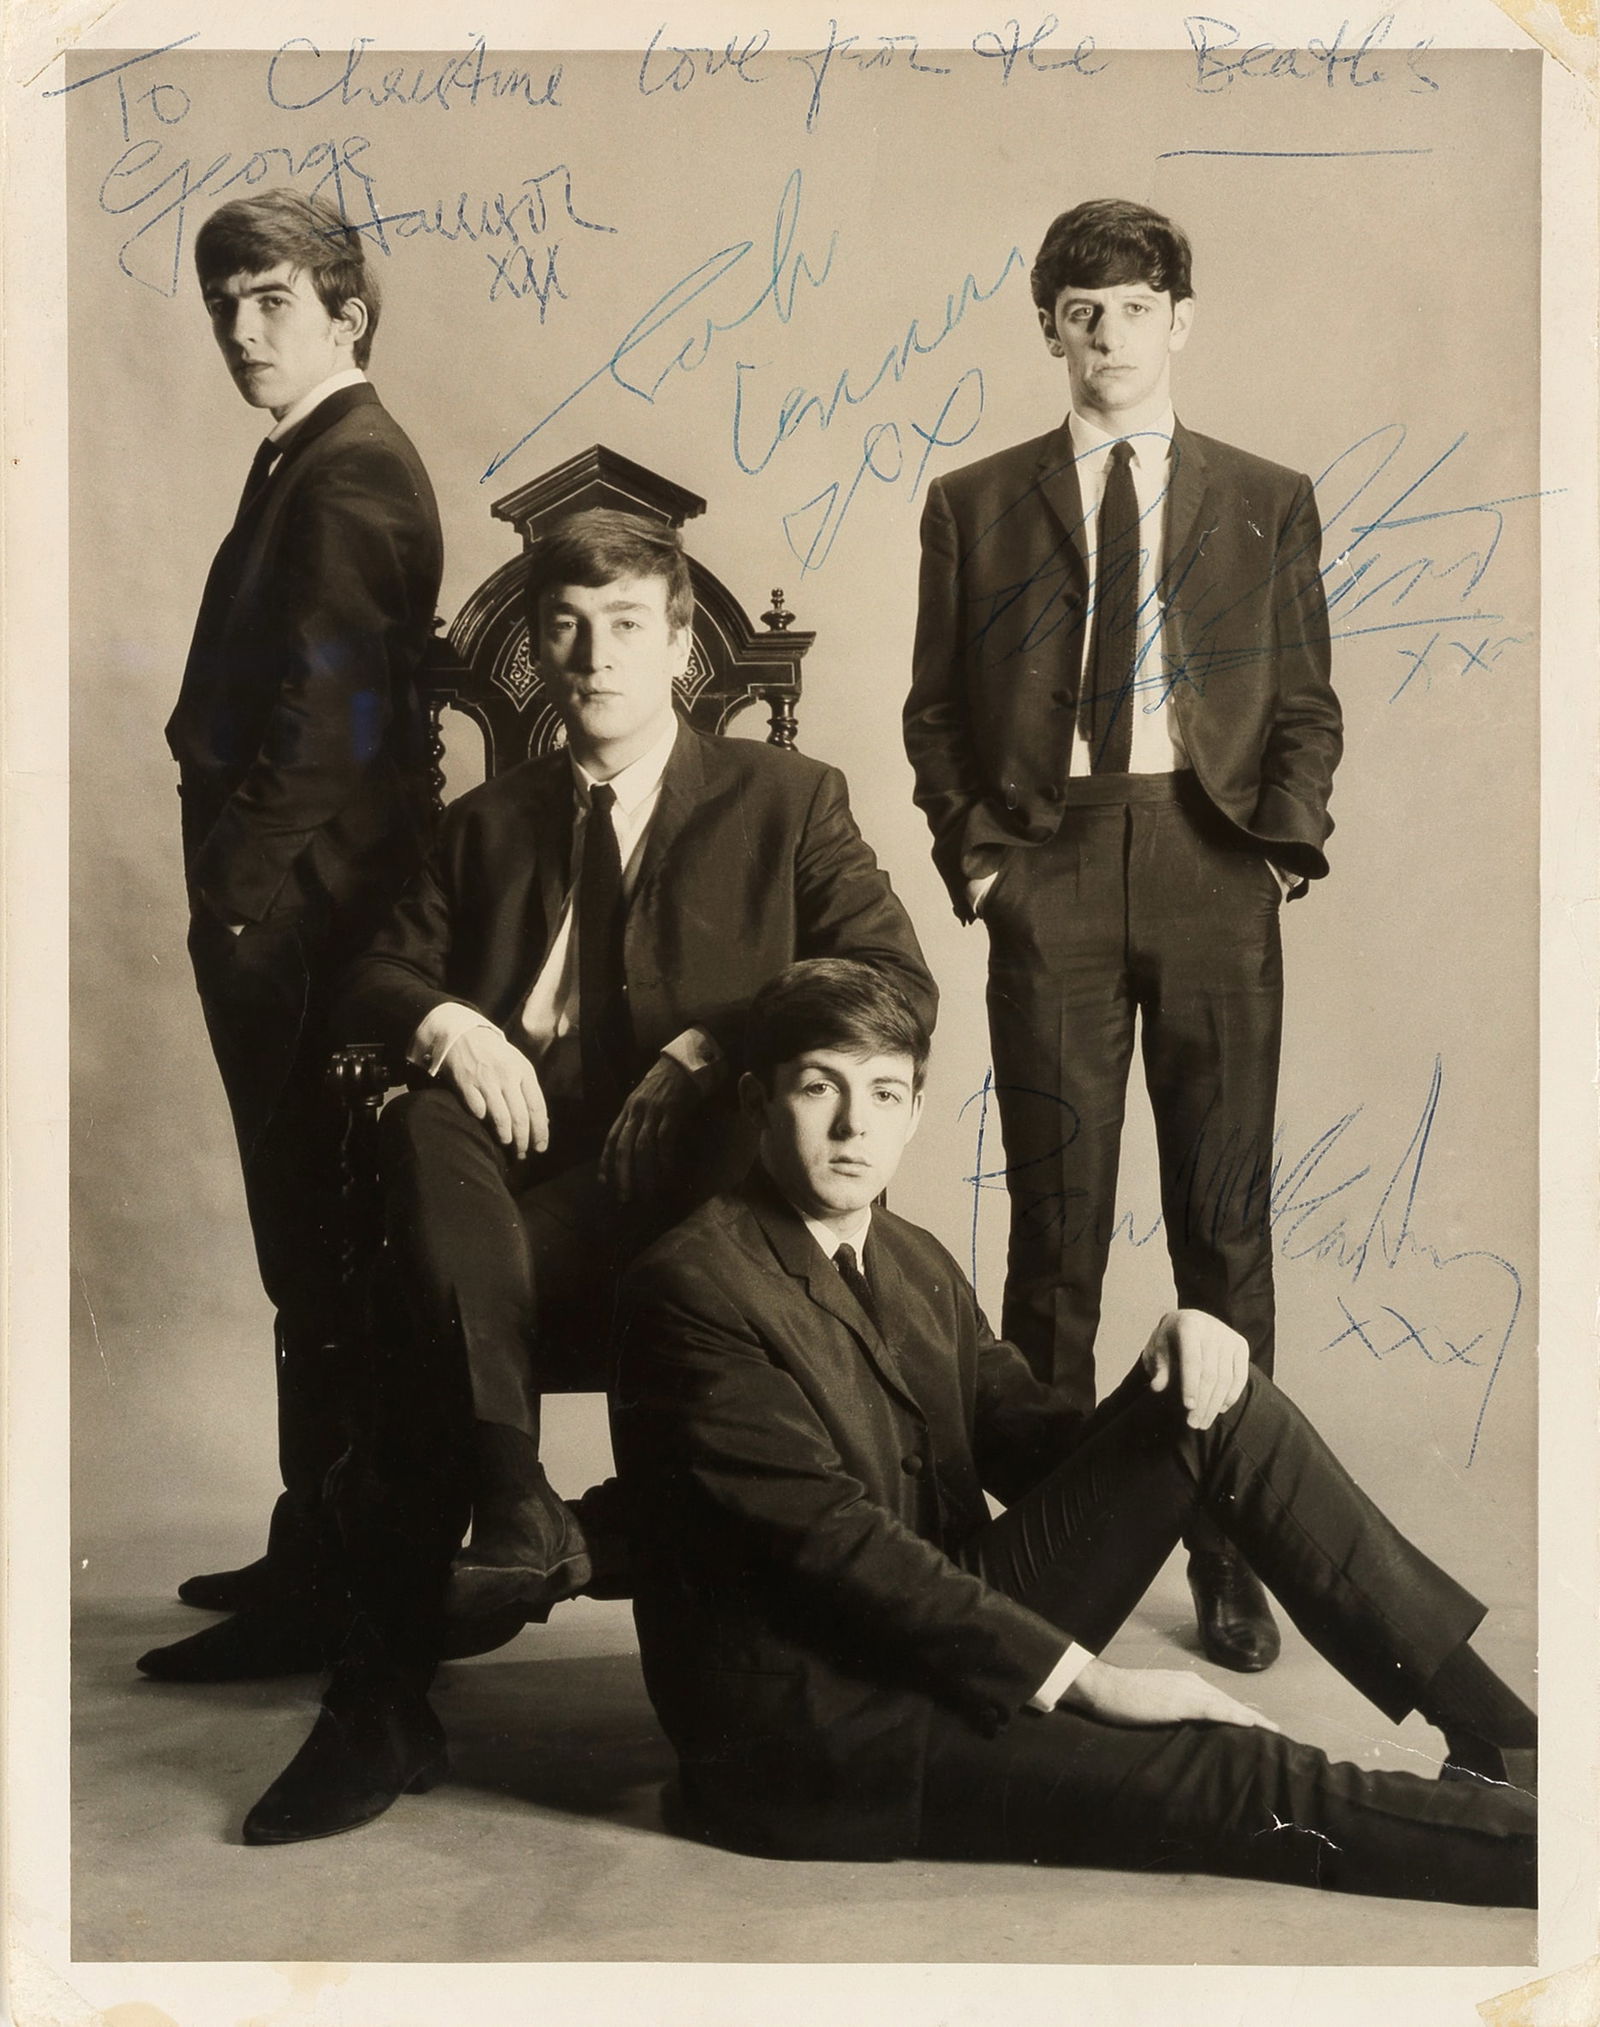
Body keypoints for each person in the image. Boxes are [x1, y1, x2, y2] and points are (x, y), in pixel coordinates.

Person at [155, 510, 937, 1843]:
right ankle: (505, 1509)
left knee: (432, 1293)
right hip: (520, 1200)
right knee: (421, 1135)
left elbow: (892, 980)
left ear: (682, 646)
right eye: (565, 627)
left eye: (627, 624)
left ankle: (382, 1688)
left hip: (700, 1196)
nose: (593, 656)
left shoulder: (788, 800)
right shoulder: (486, 823)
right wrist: (448, 1021)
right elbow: (377, 972)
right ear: (538, 647)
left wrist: (719, 1040)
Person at [610, 960, 1534, 1906]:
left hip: (939, 1633)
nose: (855, 1127)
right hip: (827, 1724)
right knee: (1238, 1771)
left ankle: (1514, 1744)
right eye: (819, 1088)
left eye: (884, 1092)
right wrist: (1090, 1680)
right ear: (759, 1101)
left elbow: (1038, 1443)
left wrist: (1170, 1370)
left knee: (1217, 1399)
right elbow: (835, 1547)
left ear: (916, 1110)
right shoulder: (693, 1286)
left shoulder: (910, 1257)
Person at [903, 197, 1344, 1674]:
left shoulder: (1265, 495)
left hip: (1217, 862)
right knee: (1056, 1232)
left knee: (1225, 1222)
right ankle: (1055, 1548)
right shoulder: (974, 502)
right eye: (1080, 311)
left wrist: (1274, 853)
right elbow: (933, 713)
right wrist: (985, 865)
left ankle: (1228, 1548)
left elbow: (1306, 705)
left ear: (1182, 321)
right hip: (1055, 861)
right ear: (1049, 329)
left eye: (1135, 306)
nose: (1108, 335)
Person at [162, 189, 442, 1631]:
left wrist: (230, 896)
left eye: (272, 300)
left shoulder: (351, 468)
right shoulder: (313, 458)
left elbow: (329, 725)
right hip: (297, 916)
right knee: (312, 1255)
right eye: (225, 304)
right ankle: (312, 1554)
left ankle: (332, 1581)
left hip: (312, 925)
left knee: (327, 1253)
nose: (241, 329)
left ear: (349, 313)